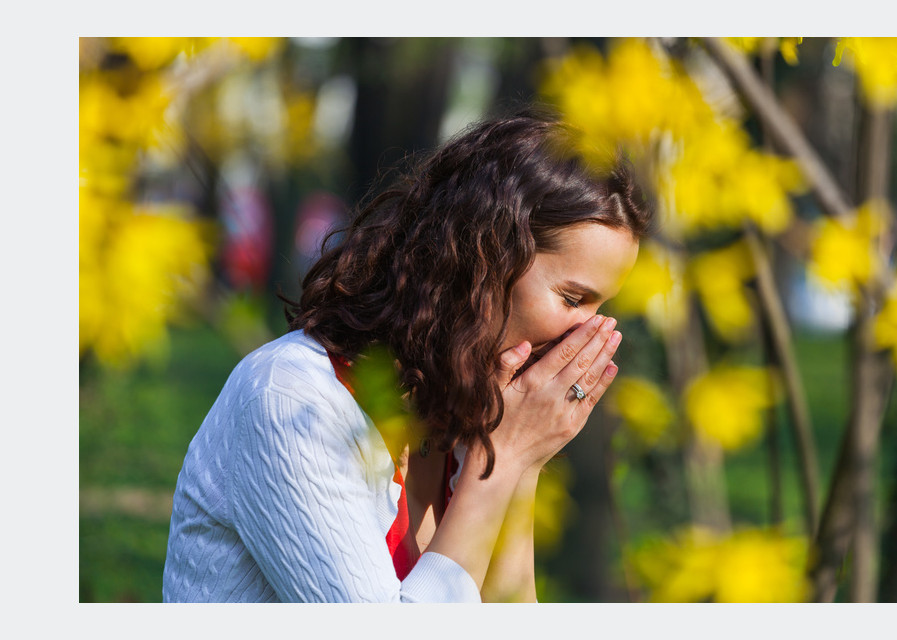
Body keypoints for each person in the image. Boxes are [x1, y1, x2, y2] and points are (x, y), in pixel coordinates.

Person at [162, 109, 652, 602]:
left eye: (603, 307)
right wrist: (500, 464)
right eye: (573, 299)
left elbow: (508, 604)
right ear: (483, 259)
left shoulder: (467, 417)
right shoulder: (291, 399)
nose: (592, 330)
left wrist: (520, 459)